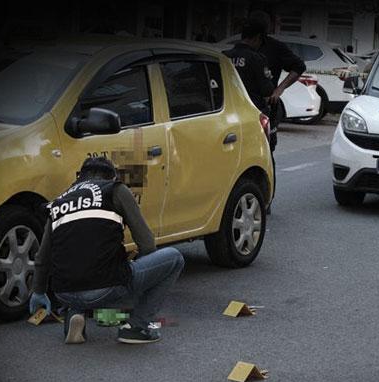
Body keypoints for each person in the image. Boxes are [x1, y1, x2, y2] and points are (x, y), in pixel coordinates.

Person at [28, 157, 185, 344]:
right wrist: (139, 281)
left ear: (80, 178)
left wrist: (38, 291)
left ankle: (74, 314)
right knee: (174, 259)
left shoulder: (59, 202)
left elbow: (42, 257)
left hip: (64, 292)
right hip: (106, 286)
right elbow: (147, 244)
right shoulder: (115, 190)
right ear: (112, 177)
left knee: (82, 280)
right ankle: (136, 327)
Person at [249, 10, 307, 198]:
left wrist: (279, 89)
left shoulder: (275, 48)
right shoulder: (240, 48)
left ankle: (266, 197)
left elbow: (299, 67)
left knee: (266, 151)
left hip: (267, 109)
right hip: (242, 109)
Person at [222, 19, 275, 116]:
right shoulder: (257, 58)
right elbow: (267, 89)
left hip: (227, 107)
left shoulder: (225, 56)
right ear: (257, 38)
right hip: (251, 108)